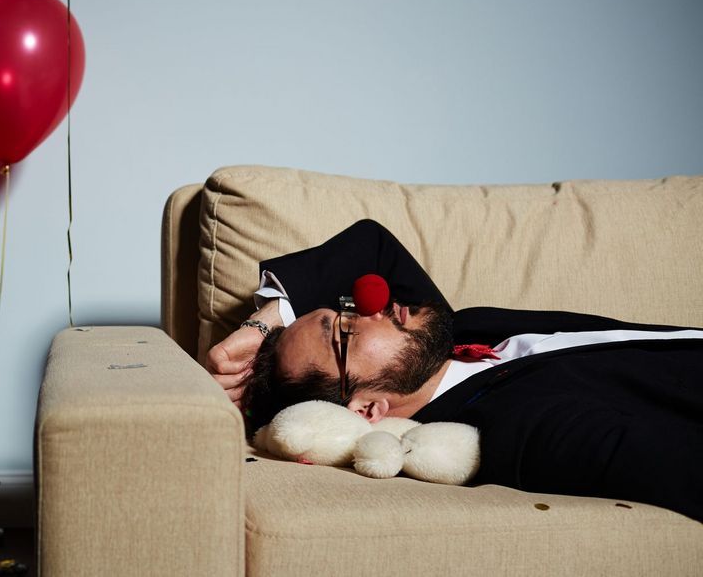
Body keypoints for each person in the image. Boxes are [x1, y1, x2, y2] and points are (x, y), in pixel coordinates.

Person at [206, 219, 703, 522]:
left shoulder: (445, 333)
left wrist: (265, 321)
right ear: (369, 408)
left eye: (343, 309)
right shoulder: (516, 424)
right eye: (346, 332)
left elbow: (371, 244)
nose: (374, 304)